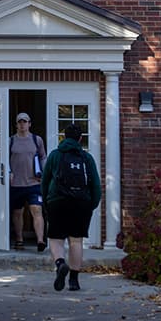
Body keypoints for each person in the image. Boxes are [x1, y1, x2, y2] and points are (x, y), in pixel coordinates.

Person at [40, 122, 101, 292]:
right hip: (81, 203)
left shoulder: (55, 156)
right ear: (81, 139)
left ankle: (60, 264)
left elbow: (45, 182)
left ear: (64, 137)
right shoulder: (87, 158)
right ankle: (74, 281)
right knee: (76, 241)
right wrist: (91, 205)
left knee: (56, 239)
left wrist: (46, 202)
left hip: (57, 202)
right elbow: (95, 185)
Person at [8, 113, 48, 252]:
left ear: (30, 124)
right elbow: (4, 160)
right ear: (16, 124)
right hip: (16, 184)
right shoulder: (10, 141)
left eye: (25, 122)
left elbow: (43, 157)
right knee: (17, 212)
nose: (22, 124)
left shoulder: (37, 140)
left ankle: (40, 240)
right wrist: (8, 172)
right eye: (20, 122)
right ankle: (19, 240)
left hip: (33, 183)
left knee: (37, 210)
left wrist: (43, 173)